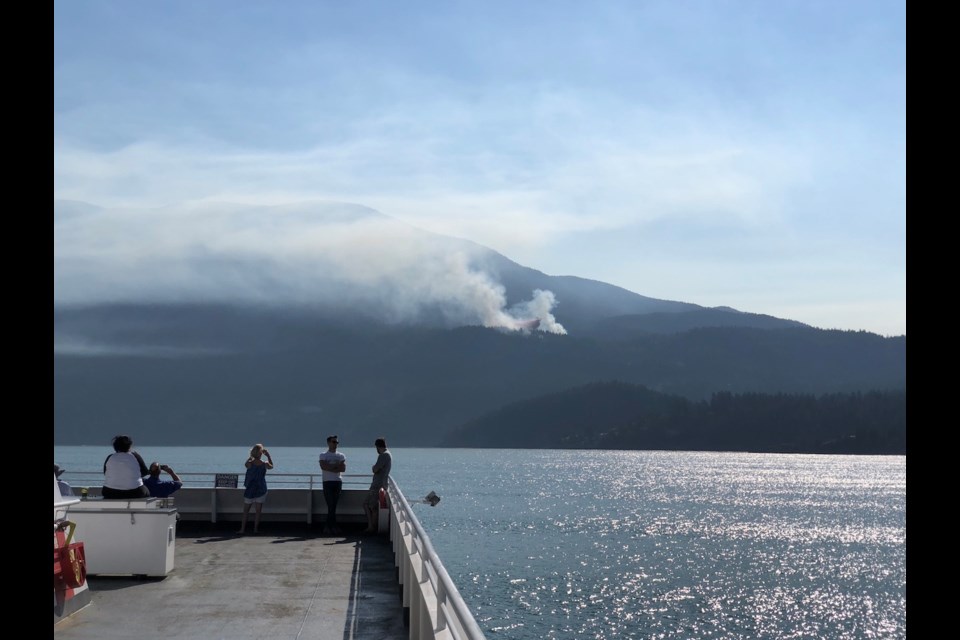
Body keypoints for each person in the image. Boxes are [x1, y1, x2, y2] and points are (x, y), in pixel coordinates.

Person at [239, 444, 273, 534]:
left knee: (246, 511)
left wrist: (251, 456)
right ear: (261, 453)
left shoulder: (250, 464)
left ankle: (242, 529)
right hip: (261, 488)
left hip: (250, 489)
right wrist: (268, 455)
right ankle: (255, 529)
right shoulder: (264, 464)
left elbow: (245, 465)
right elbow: (271, 466)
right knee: (258, 511)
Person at [102, 434, 150, 499]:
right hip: (134, 492)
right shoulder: (135, 456)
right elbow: (145, 472)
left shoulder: (110, 457)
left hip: (110, 492)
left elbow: (105, 473)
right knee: (146, 491)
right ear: (129, 446)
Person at [318, 435, 346, 534]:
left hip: (337, 482)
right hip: (327, 482)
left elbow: (343, 469)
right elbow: (323, 467)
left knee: (333, 505)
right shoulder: (323, 455)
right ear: (328, 443)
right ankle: (332, 526)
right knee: (331, 505)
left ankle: (328, 527)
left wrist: (330, 466)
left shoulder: (341, 455)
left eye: (337, 442)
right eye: (334, 442)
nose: (336, 444)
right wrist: (336, 466)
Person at [363, 438, 392, 534]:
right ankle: (372, 526)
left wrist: (374, 467)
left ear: (377, 446)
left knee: (368, 505)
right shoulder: (388, 454)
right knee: (373, 506)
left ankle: (371, 527)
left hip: (377, 485)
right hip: (382, 484)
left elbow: (375, 469)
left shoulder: (383, 455)